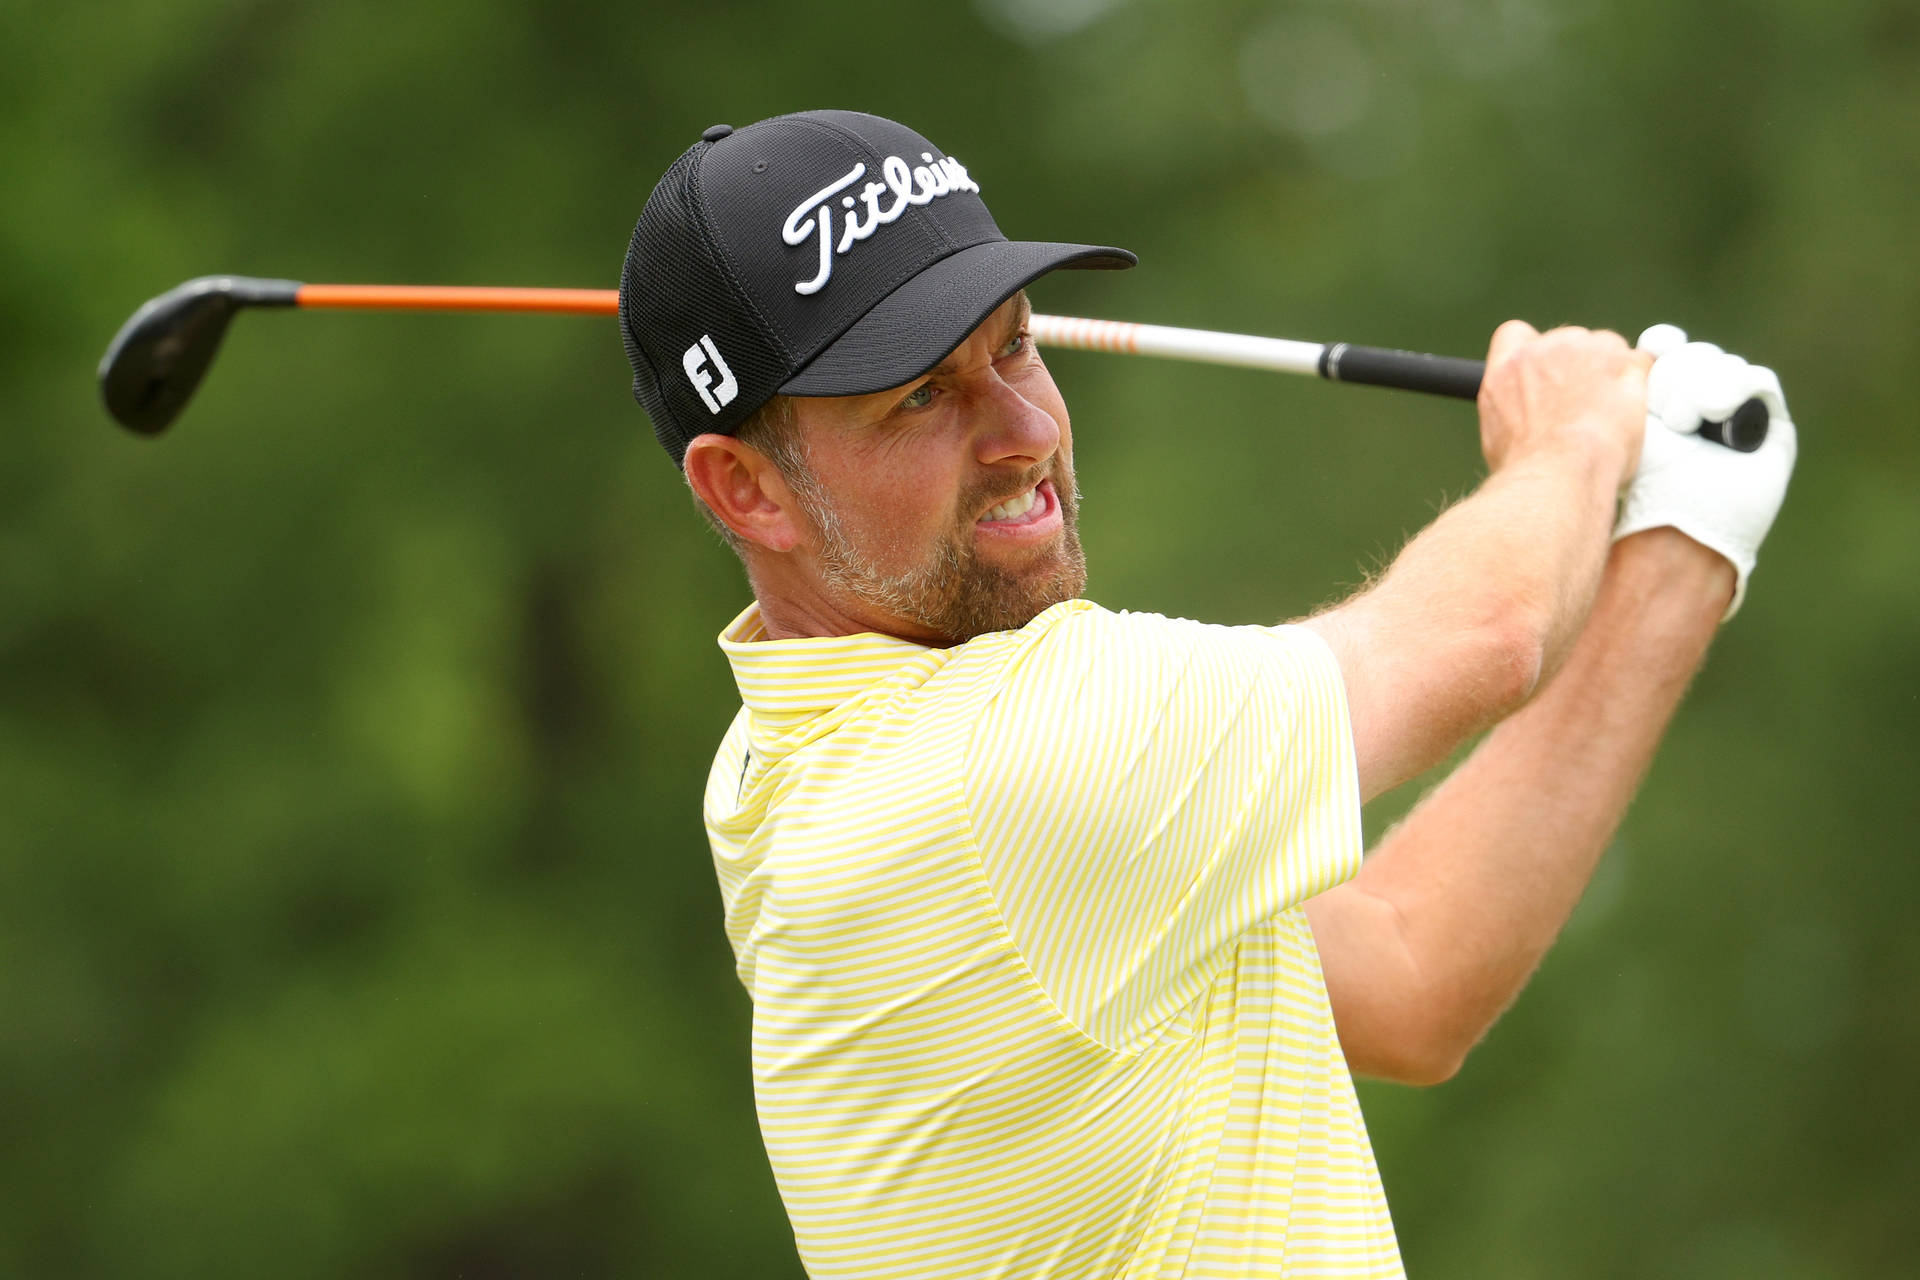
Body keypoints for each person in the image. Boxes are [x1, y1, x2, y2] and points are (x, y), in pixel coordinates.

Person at [617, 110, 1796, 1279]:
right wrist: (1577, 436)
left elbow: (1409, 972)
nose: (1024, 431)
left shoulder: (790, 759)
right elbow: (1485, 634)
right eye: (921, 396)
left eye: (1016, 344)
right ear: (747, 490)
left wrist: (1685, 539)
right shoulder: (993, 775)